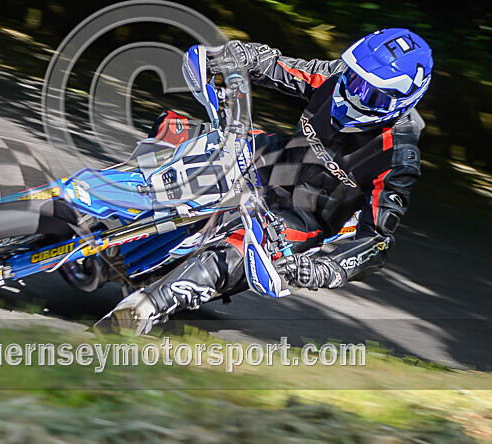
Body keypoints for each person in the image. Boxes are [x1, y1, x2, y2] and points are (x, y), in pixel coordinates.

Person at [106, 28, 433, 335]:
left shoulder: (398, 156)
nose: (353, 95)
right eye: (353, 80)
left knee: (241, 245)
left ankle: (145, 307)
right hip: (273, 160)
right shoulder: (334, 80)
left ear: (401, 101)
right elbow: (274, 65)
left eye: (370, 95)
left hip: (303, 215)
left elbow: (377, 241)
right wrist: (236, 58)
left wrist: (325, 269)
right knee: (175, 131)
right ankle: (98, 210)